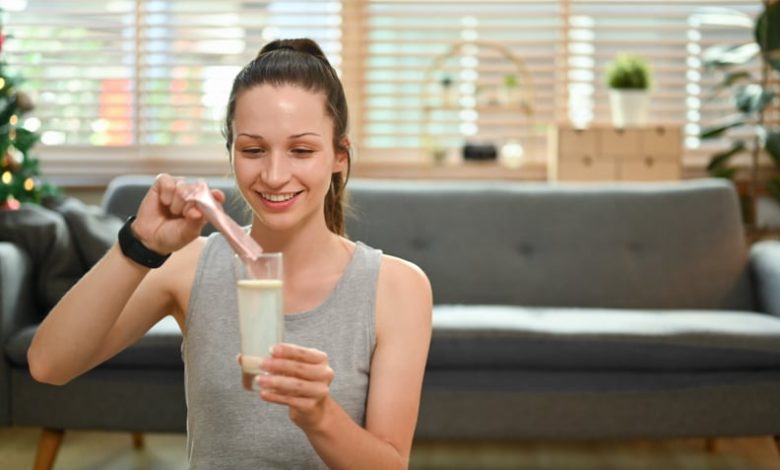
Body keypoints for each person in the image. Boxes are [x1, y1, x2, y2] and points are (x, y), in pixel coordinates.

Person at [28, 38, 432, 469]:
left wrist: (320, 417)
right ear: (231, 152)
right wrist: (139, 246)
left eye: (301, 150)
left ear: (338, 155)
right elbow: (49, 364)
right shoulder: (190, 265)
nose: (275, 176)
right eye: (253, 150)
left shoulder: (397, 287)